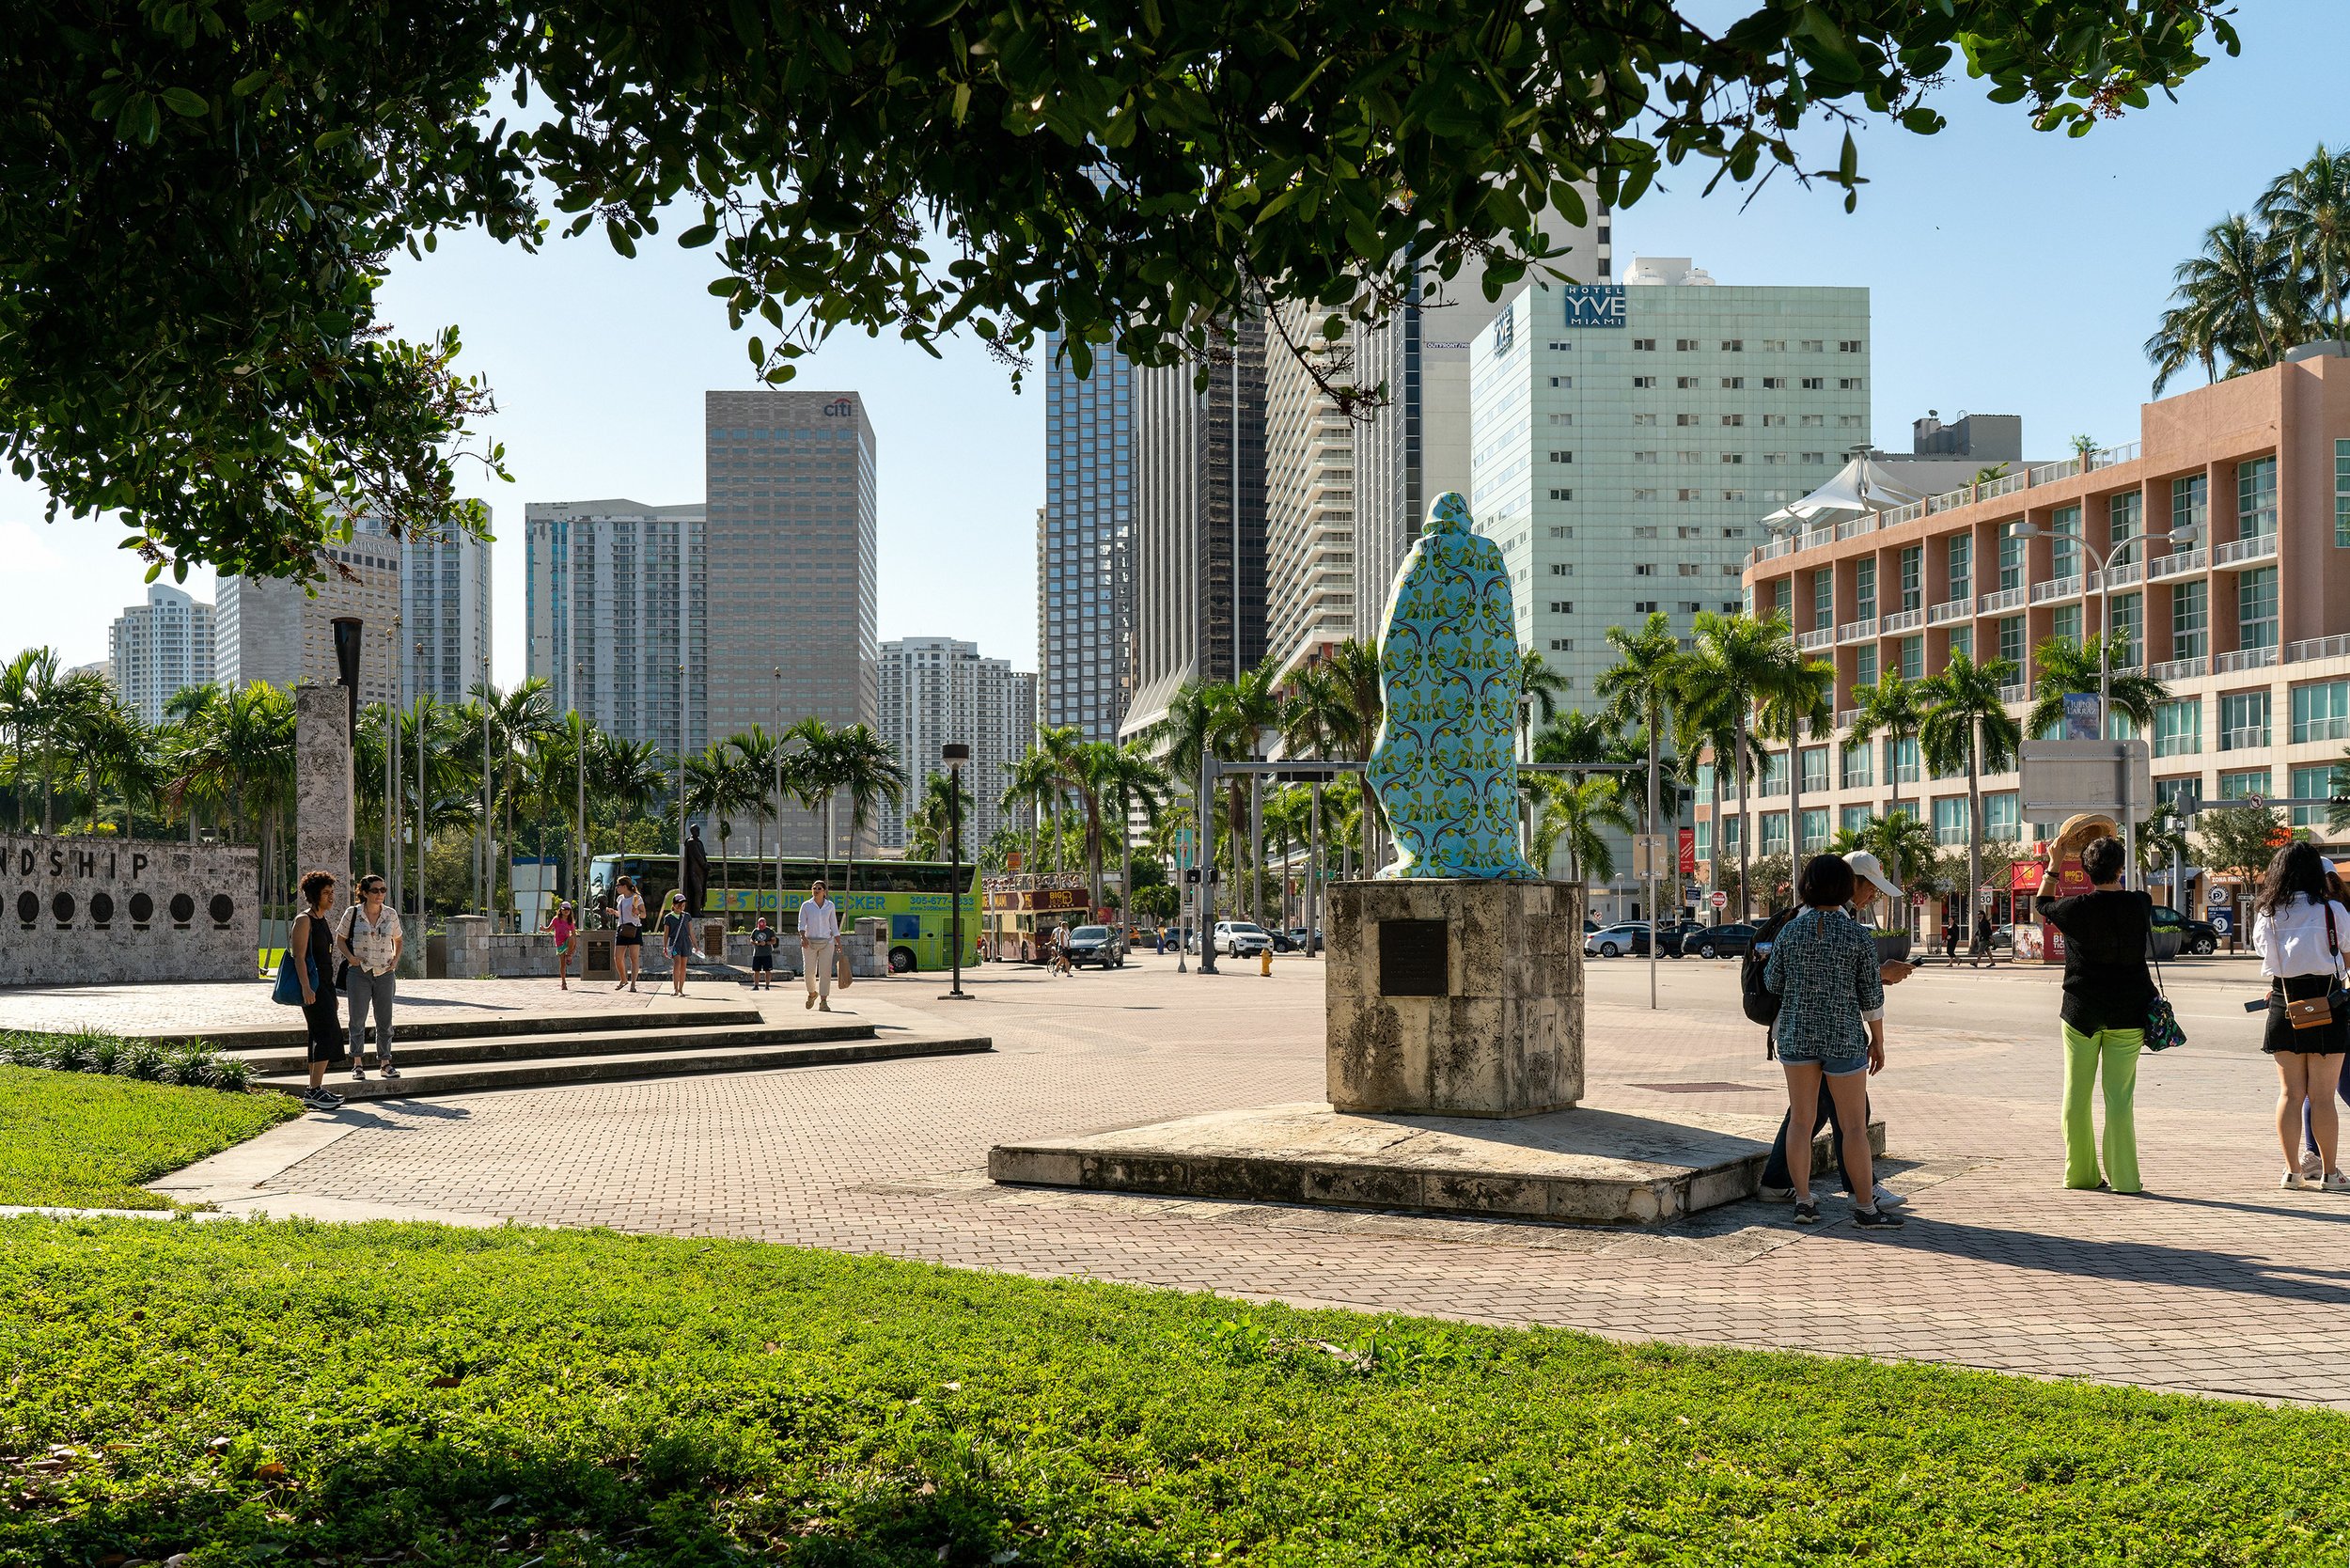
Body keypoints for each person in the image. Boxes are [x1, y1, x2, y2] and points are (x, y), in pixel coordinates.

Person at [1758, 849, 1911, 1208]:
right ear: (1846, 885)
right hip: (1843, 1038)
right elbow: (1871, 997)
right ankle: (1865, 1203)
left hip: (1796, 1036)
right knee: (1856, 1125)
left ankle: (1804, 1201)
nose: (1873, 893)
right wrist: (1879, 1041)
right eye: (1868, 886)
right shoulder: (1856, 935)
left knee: (1800, 1120)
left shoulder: (1791, 930)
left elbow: (1773, 981)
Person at [2032, 833, 2154, 1195]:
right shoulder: (2141, 903)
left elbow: (2042, 903)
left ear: (2084, 871)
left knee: (2076, 1092)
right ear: (2120, 869)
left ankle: (2081, 1175)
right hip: (2129, 1014)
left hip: (2081, 1012)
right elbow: (2124, 894)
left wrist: (2054, 863)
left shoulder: (2075, 908)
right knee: (2119, 1098)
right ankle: (2126, 1180)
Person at [2252, 841, 2350, 1191]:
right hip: (2327, 1004)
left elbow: (2265, 956)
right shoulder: (2333, 912)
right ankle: (2330, 1174)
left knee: (2289, 1094)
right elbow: (2347, 959)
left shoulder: (2267, 913)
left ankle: (2292, 1171)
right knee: (2322, 1097)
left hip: (2283, 1001)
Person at [338, 872, 403, 1082]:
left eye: (383, 890)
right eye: (375, 890)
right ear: (364, 893)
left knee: (385, 1020)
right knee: (357, 1019)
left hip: (385, 972)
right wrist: (351, 958)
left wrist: (395, 959)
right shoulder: (353, 913)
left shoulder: (390, 914)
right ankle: (357, 1063)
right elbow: (340, 939)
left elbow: (399, 939)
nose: (380, 894)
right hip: (360, 972)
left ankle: (385, 1062)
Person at [290, 870, 345, 1111]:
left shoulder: (322, 919)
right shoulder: (304, 920)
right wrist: (306, 987)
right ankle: (314, 1090)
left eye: (332, 892)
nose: (331, 897)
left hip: (325, 985)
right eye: (326, 893)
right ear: (315, 895)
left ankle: (314, 1089)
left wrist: (331, 994)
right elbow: (299, 958)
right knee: (327, 1034)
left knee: (318, 1034)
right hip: (312, 986)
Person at [797, 878, 840, 1011]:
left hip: (827, 942)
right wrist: (803, 937)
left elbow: (833, 924)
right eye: (814, 888)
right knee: (809, 972)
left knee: (825, 972)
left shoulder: (830, 906)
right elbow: (801, 923)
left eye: (819, 888)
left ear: (824, 892)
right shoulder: (806, 905)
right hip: (809, 942)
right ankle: (812, 994)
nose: (816, 890)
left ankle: (823, 1001)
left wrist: (838, 942)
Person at [612, 876, 644, 992]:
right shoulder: (620, 898)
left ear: (625, 886)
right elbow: (621, 914)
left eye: (618, 886)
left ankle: (633, 984)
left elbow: (643, 914)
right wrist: (614, 912)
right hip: (622, 928)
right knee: (617, 957)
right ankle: (623, 979)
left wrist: (637, 912)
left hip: (634, 928)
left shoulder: (636, 898)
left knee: (633, 957)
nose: (617, 888)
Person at [661, 890, 696, 997]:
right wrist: (665, 947)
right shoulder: (668, 917)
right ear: (674, 905)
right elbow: (666, 934)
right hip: (675, 943)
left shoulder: (687, 916)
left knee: (684, 966)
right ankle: (675, 989)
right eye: (679, 904)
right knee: (677, 964)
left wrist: (696, 945)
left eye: (683, 905)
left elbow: (691, 932)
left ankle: (681, 989)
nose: (681, 907)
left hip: (685, 943)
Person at [548, 901, 578, 991]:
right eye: (564, 909)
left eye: (568, 909)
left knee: (571, 938)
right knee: (562, 964)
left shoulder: (570, 922)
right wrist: (543, 929)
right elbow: (549, 929)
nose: (566, 911)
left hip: (567, 941)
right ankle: (563, 982)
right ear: (560, 910)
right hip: (559, 943)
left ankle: (568, 956)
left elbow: (574, 935)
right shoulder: (556, 920)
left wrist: (572, 949)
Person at [749, 916, 777, 990]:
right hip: (757, 954)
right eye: (760, 925)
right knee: (756, 970)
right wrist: (756, 943)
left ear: (765, 924)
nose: (761, 927)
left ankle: (767, 986)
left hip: (767, 954)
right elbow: (751, 940)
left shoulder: (770, 931)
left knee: (767, 970)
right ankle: (756, 985)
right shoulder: (755, 931)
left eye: (762, 925)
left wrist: (766, 943)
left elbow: (774, 941)